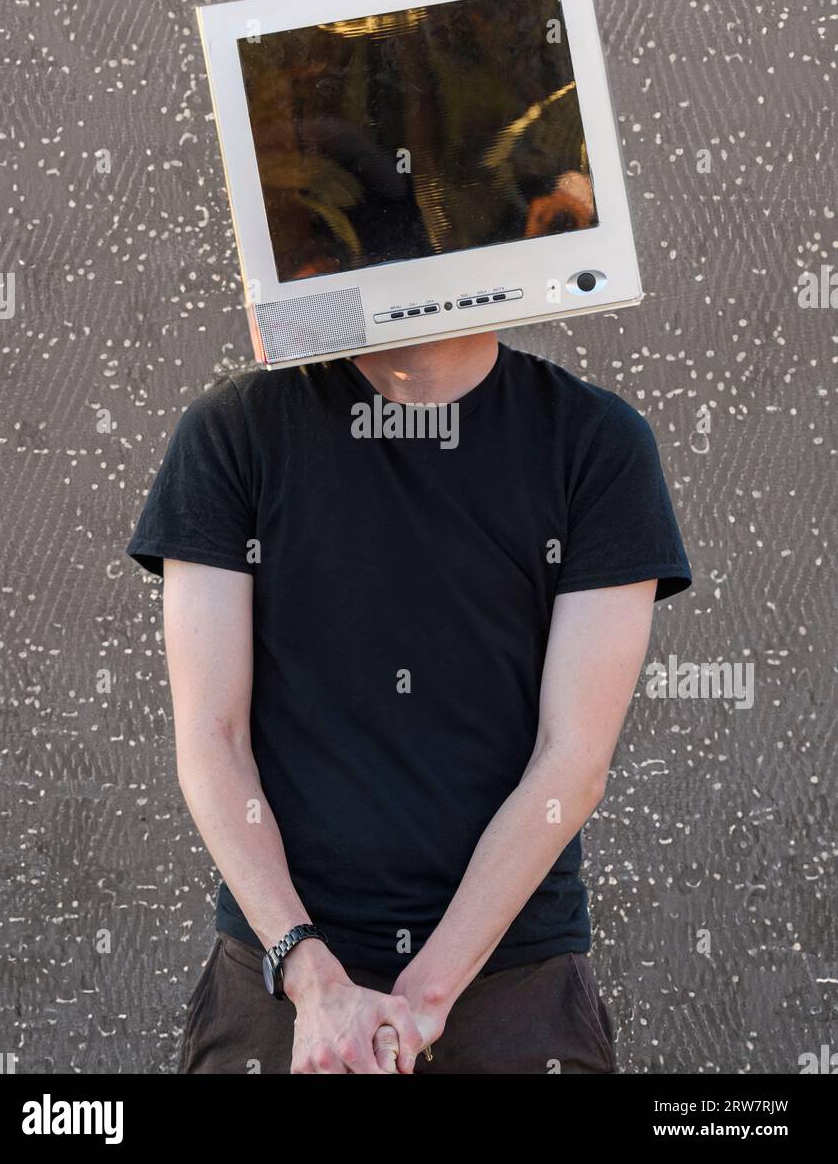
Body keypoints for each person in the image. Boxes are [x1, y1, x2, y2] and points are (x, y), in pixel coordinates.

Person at [125, 330, 691, 1074]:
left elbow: (573, 761)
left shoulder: (593, 441)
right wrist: (313, 977)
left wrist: (425, 997)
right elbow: (211, 739)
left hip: (513, 993)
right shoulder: (235, 428)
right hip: (279, 988)